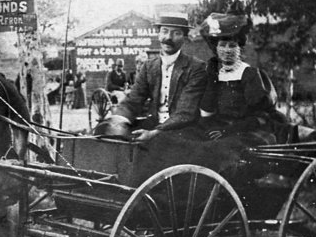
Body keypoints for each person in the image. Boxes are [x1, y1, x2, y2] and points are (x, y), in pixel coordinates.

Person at [96, 13, 207, 141]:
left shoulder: (196, 67)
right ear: (158, 34)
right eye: (164, 31)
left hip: (182, 130)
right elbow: (133, 100)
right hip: (153, 124)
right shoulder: (149, 66)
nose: (168, 38)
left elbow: (185, 113)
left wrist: (155, 132)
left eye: (176, 33)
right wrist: (117, 121)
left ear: (184, 37)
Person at [197, 12, 281, 145]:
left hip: (246, 131)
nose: (227, 50)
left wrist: (228, 131)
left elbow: (261, 116)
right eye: (223, 45)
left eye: (232, 45)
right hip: (218, 129)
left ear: (240, 48)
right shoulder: (213, 74)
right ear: (216, 48)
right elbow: (206, 112)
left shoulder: (249, 74)